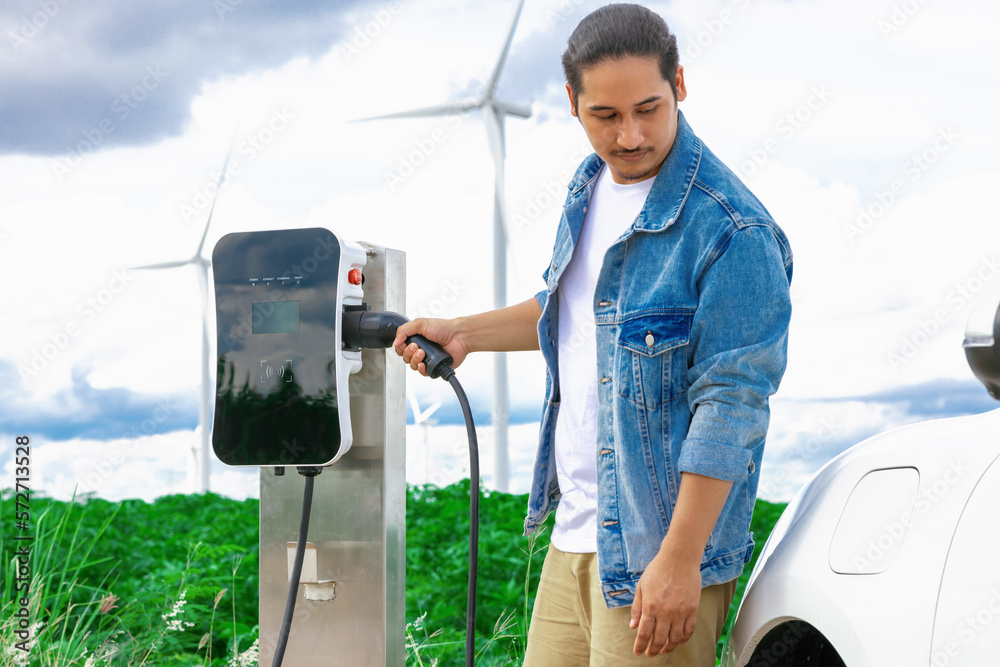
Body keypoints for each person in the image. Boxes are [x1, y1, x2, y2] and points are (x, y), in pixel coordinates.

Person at [394, 4, 792, 665]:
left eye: (649, 108)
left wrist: (678, 561)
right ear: (573, 102)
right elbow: (569, 312)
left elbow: (732, 406)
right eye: (605, 116)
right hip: (575, 539)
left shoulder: (734, 232)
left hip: (660, 555)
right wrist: (462, 330)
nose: (630, 135)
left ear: (680, 86)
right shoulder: (588, 187)